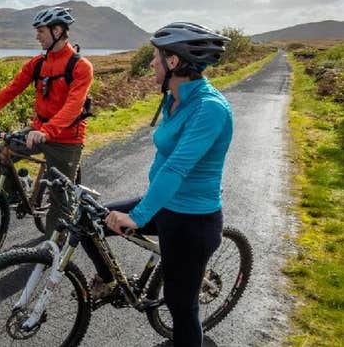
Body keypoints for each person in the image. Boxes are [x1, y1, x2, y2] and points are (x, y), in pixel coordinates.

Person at [81, 22, 232, 347]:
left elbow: (177, 167)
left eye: (155, 57)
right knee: (88, 220)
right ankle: (109, 281)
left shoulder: (210, 108)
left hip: (193, 221)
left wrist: (137, 216)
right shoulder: (175, 99)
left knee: (182, 308)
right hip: (165, 206)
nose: (151, 63)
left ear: (173, 62)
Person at [0, 6, 93, 225]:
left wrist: (47, 131)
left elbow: (73, 106)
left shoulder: (81, 66)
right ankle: (14, 198)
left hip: (66, 140)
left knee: (61, 204)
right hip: (38, 131)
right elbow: (11, 90)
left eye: (41, 31)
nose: (37, 36)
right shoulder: (38, 63)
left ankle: (52, 254)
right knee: (1, 152)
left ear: (58, 31)